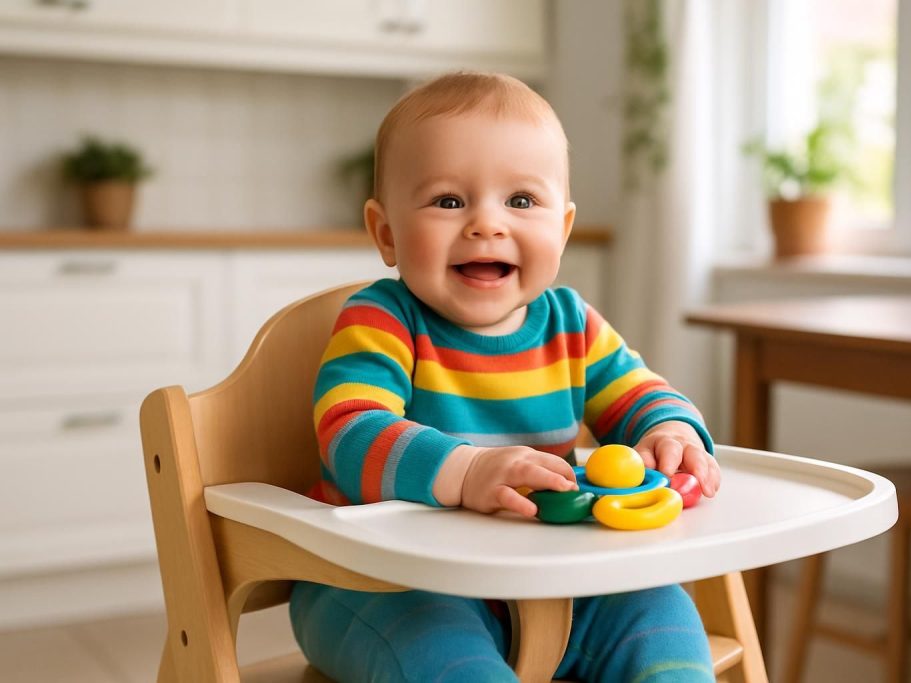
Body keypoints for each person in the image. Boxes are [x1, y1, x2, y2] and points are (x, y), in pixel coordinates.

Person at [291, 71, 721, 683]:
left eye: (520, 201)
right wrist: (466, 471)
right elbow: (350, 430)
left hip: (550, 579)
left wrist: (670, 431)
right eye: (448, 201)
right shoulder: (384, 320)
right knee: (449, 660)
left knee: (662, 615)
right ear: (387, 234)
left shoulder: (571, 325)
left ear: (562, 230)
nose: (486, 224)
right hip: (384, 583)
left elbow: (642, 393)